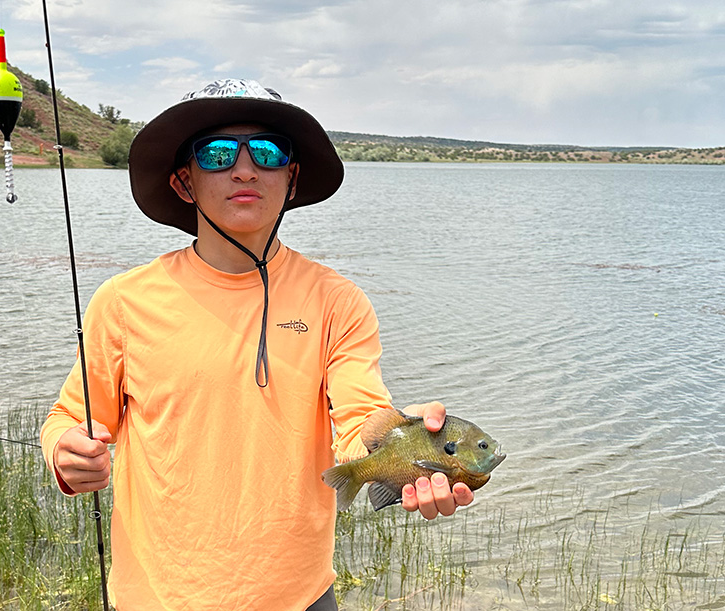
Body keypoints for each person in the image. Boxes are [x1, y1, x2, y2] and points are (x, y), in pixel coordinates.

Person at [40, 79, 474, 611]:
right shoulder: (123, 302)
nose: (245, 170)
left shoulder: (337, 301)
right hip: (157, 596)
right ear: (184, 182)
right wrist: (65, 452)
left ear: (292, 179)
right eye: (217, 153)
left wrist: (412, 449)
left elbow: (360, 418)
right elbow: (71, 416)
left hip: (299, 595)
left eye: (267, 152)